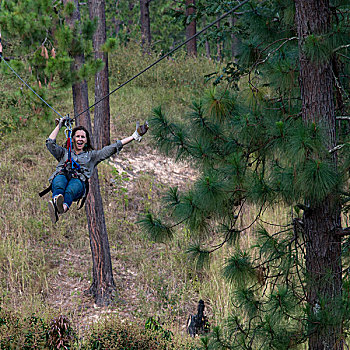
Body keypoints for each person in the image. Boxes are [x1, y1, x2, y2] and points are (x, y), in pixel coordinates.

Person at [45, 116, 148, 223]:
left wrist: (133, 136)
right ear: (73, 139)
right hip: (63, 174)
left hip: (78, 181)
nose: (80, 139)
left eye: (83, 137)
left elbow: (110, 149)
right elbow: (50, 143)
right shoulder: (64, 153)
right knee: (59, 181)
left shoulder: (92, 156)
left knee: (72, 188)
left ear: (86, 141)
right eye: (78, 136)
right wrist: (60, 125)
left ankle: (62, 207)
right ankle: (57, 202)